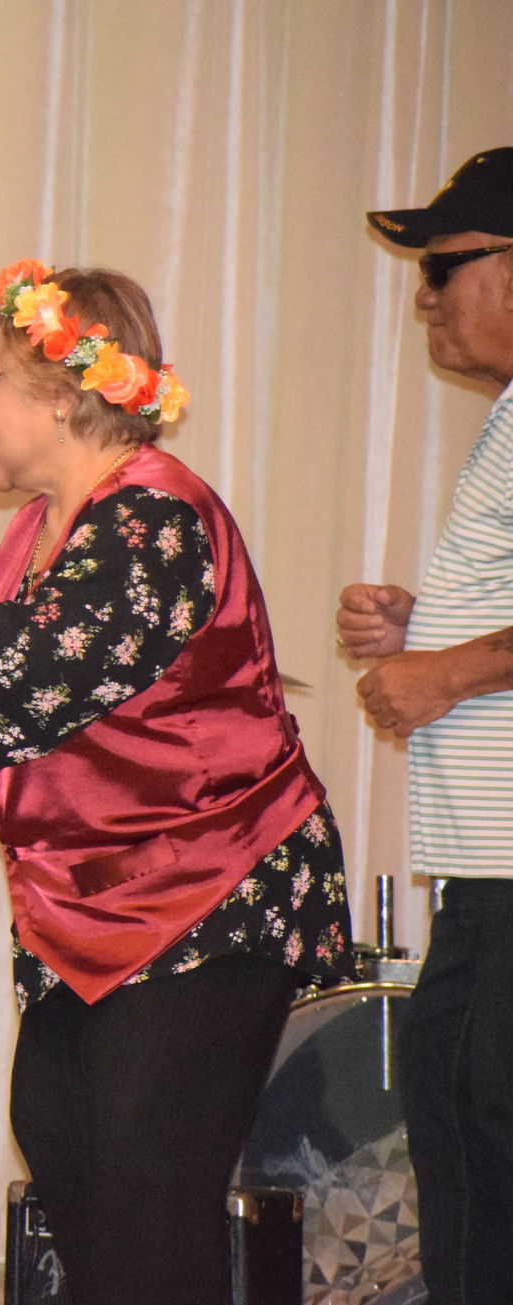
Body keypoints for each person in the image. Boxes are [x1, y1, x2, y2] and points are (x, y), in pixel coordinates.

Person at [0, 260, 353, 1305]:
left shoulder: (157, 516)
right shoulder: (32, 545)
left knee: (144, 1192)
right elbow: (3, 703)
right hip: (88, 913)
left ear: (62, 391)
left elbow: (42, 663)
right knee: (63, 1138)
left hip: (210, 894)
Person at [338, 148, 513, 1305]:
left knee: (477, 1127)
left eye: (444, 265)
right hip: (481, 864)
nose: (424, 295)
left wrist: (447, 669)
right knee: (459, 1123)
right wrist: (432, 622)